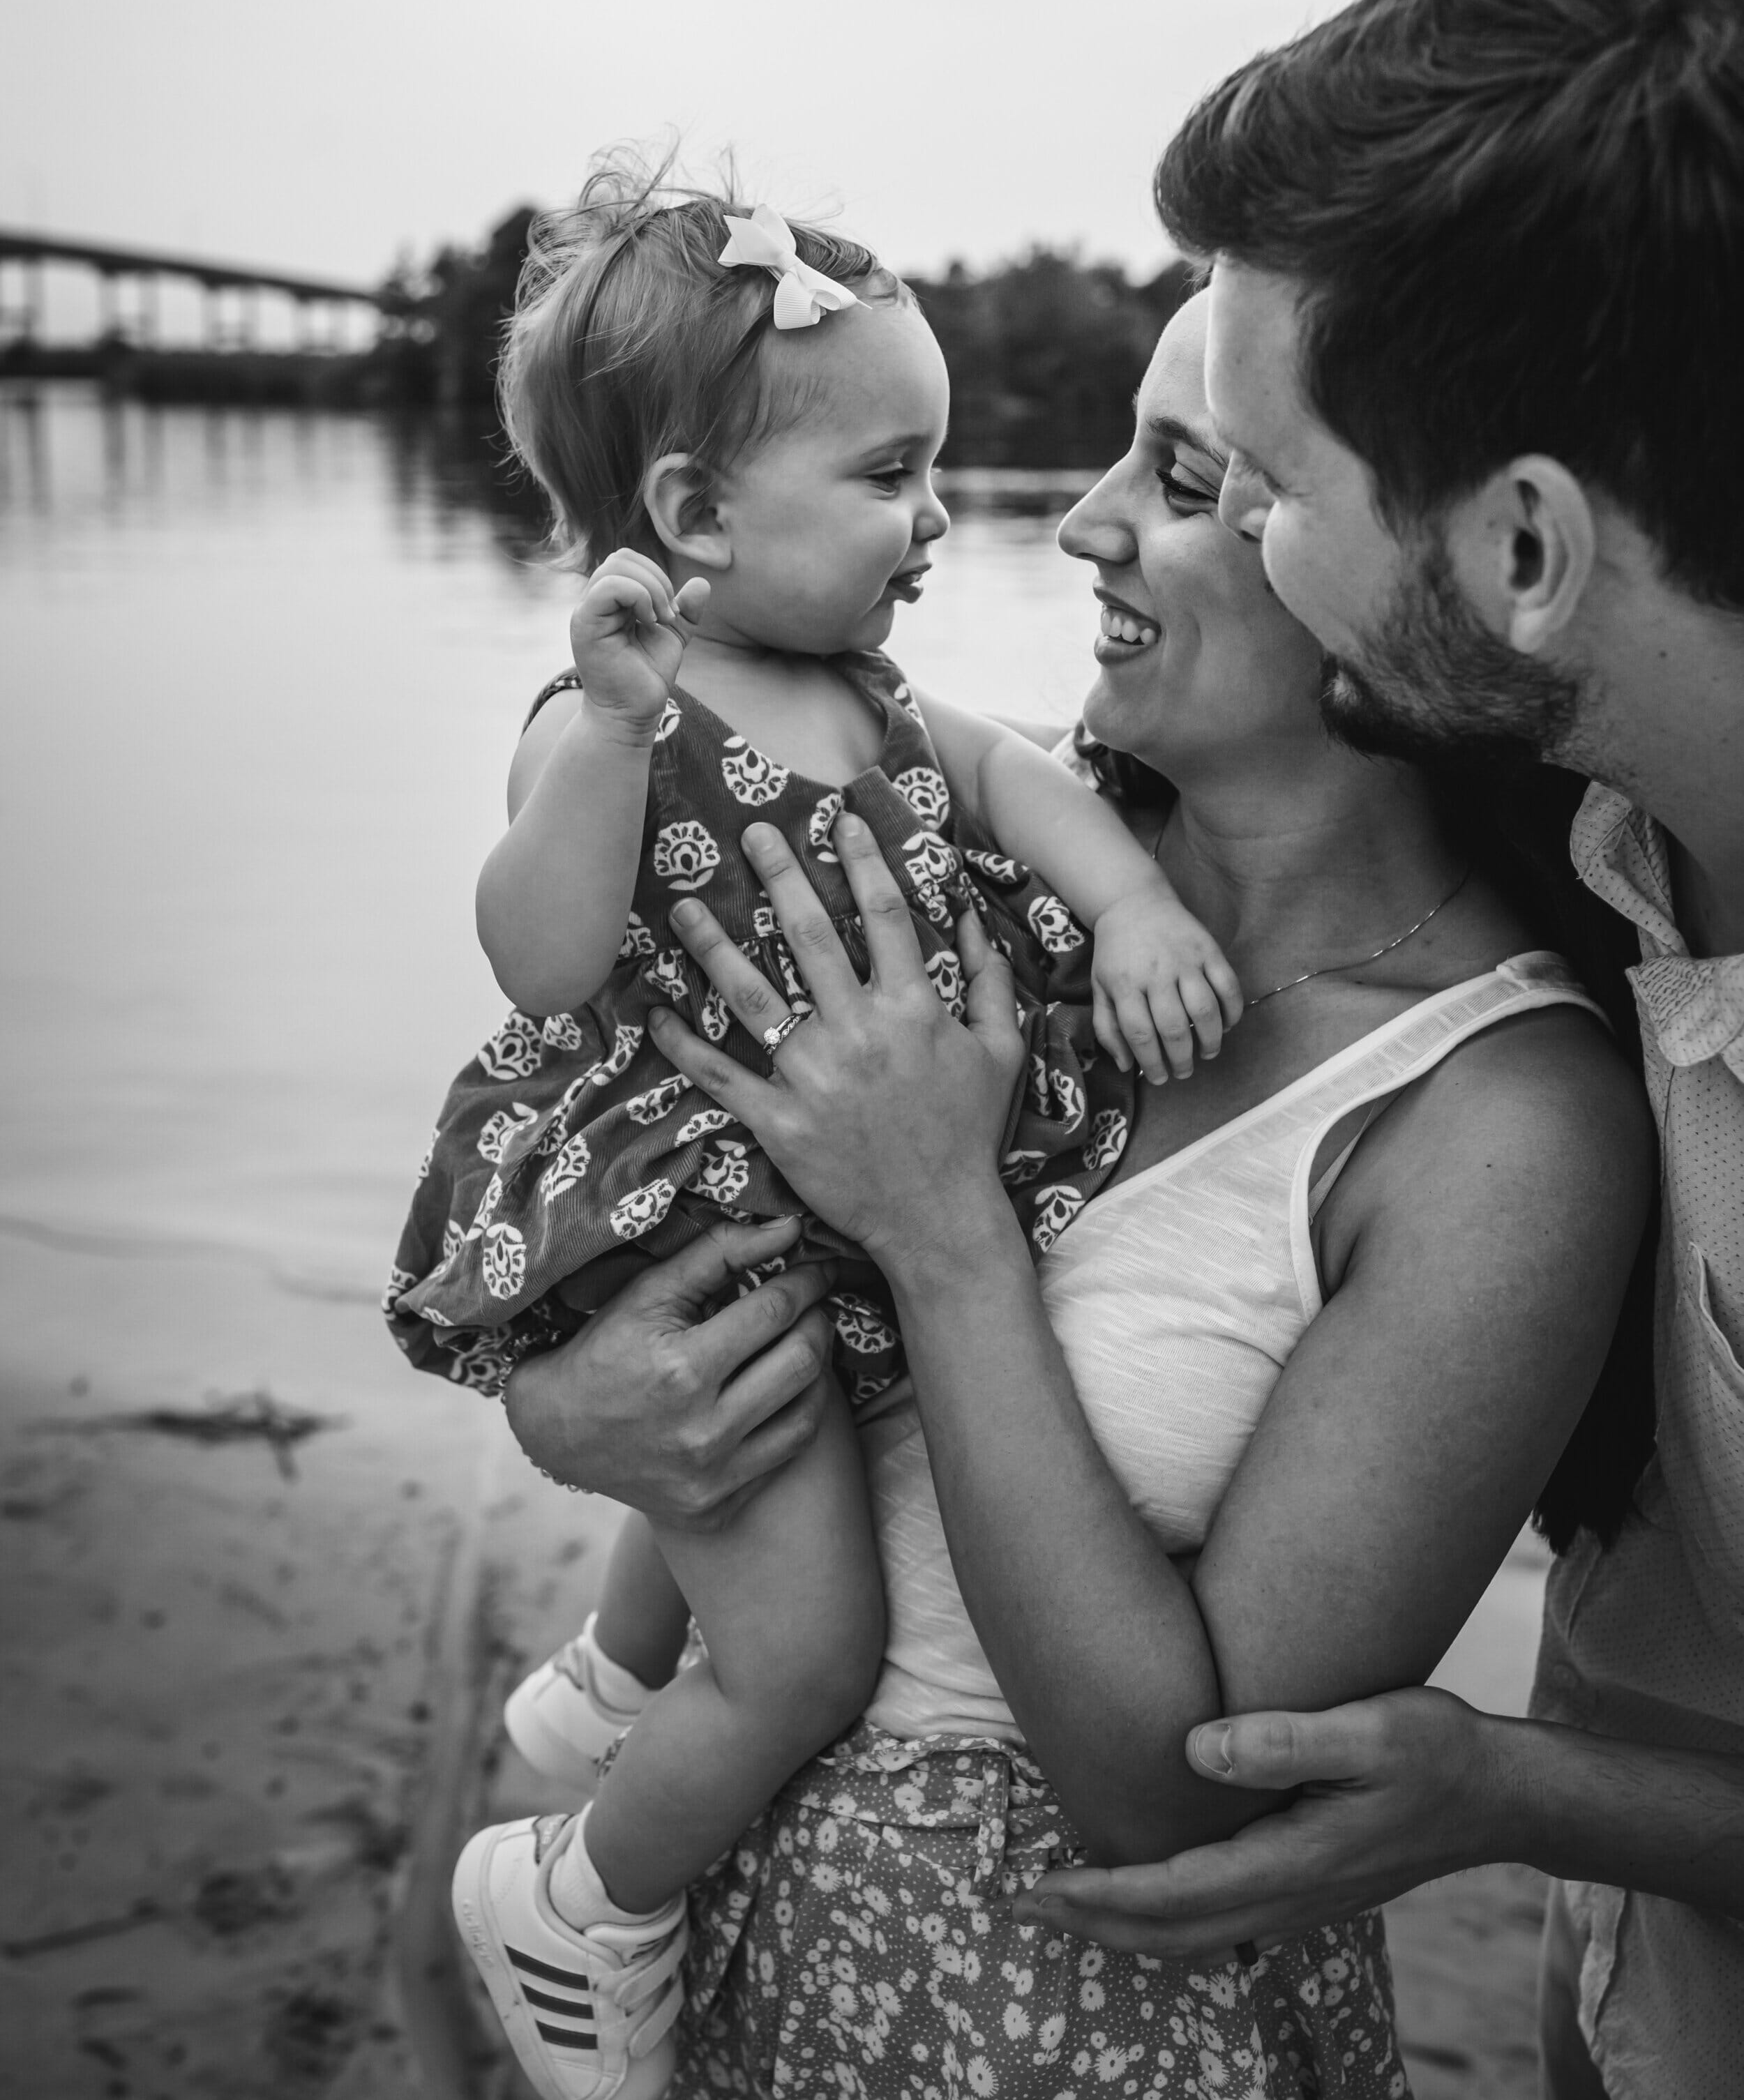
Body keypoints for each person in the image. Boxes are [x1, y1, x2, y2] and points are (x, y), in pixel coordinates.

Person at [486, 292, 1654, 2100]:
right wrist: (578, 1400)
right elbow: (642, 1157)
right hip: (723, 1941)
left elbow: (1179, 1797)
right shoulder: (954, 837)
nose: (1080, 519)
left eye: (1186, 474)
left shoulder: (1501, 1116)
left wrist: (945, 1232)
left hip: (1066, 2028)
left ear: (1410, 566)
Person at [394, 151, 1244, 2100]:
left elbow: (1026, 781)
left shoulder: (868, 696)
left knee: (782, 1466)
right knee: (805, 1652)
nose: (940, 518)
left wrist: (1128, 907)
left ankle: (611, 1681)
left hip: (829, 1206)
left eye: (933, 470)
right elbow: (540, 959)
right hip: (704, 1213)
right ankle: (576, 1899)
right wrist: (600, 740)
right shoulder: (621, 706)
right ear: (690, 512)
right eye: (887, 479)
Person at [1020, 0, 1744, 2100]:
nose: (1197, 527)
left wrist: (1513, 1797)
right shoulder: (1621, 840)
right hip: (1633, 2005)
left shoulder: (1507, 1084)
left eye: (1260, 484)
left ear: (1521, 547)